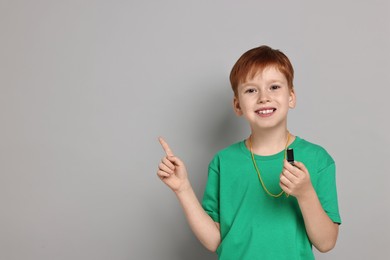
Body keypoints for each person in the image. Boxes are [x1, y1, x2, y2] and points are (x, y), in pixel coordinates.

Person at [157, 45, 341, 259]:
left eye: (274, 87)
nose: (264, 97)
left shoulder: (318, 159)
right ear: (237, 105)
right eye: (251, 90)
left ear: (291, 97)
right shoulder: (223, 162)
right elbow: (215, 240)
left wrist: (306, 193)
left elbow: (326, 242)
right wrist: (183, 189)